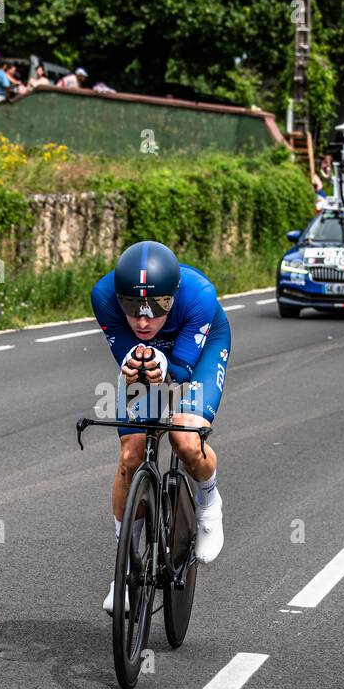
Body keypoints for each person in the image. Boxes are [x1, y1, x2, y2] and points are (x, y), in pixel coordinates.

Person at [90, 241, 230, 614]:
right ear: (119, 299)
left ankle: (208, 501)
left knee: (184, 438)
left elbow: (181, 372)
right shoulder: (102, 296)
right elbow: (128, 356)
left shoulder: (199, 295)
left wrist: (164, 367)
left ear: (173, 296)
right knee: (130, 455)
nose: (143, 321)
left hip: (197, 352)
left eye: (156, 308)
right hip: (149, 359)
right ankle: (124, 571)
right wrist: (136, 363)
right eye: (132, 309)